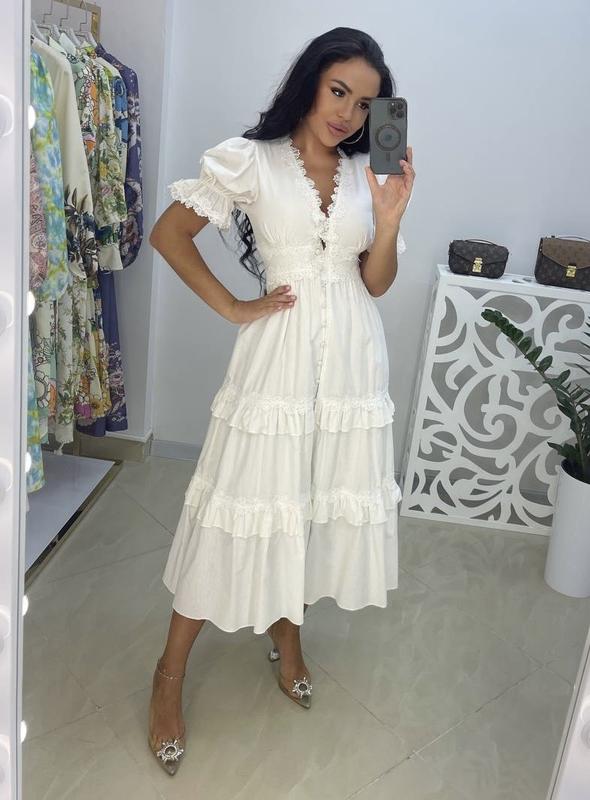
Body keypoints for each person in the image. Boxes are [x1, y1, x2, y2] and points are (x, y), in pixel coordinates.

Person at [147, 26, 415, 775]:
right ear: (310, 82)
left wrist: (389, 220)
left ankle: (287, 632)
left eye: (364, 104)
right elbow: (170, 234)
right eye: (338, 91)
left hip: (352, 360)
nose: (348, 114)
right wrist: (235, 307)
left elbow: (376, 282)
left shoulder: (367, 172)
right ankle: (169, 673)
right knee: (239, 505)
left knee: (310, 502)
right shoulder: (251, 159)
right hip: (277, 361)